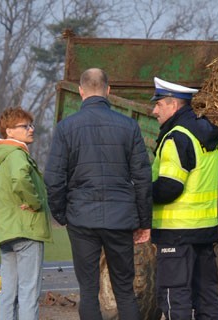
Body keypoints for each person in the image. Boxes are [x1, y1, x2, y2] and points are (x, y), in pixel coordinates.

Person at [44, 68, 152, 320]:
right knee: (125, 290)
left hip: (81, 218)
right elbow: (143, 178)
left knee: (89, 290)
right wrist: (143, 221)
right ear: (108, 91)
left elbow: (53, 178)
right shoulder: (129, 126)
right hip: (121, 218)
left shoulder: (66, 128)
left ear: (81, 91)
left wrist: (63, 214)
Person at [150, 76, 218, 320]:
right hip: (204, 230)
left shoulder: (176, 137)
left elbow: (170, 187)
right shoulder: (204, 132)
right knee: (207, 297)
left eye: (158, 104)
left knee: (175, 295)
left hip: (177, 231)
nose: (154, 111)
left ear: (173, 105)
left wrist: (142, 192)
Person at [0, 107, 53, 320]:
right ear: (9, 131)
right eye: (25, 126)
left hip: (6, 233)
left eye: (31, 125)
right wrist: (35, 202)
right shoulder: (17, 155)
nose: (31, 129)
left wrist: (8, 207)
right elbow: (21, 179)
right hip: (27, 232)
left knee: (7, 293)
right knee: (29, 292)